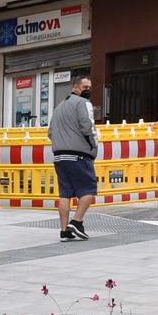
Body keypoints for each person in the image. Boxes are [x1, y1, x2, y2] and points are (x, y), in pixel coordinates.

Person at [50, 74, 99, 241]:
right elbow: (88, 127)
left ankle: (64, 231)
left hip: (59, 156)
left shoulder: (59, 107)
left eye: (89, 88)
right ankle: (77, 222)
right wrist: (93, 147)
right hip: (78, 155)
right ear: (75, 87)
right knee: (88, 190)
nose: (88, 91)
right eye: (85, 88)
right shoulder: (83, 103)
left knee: (65, 194)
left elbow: (50, 132)